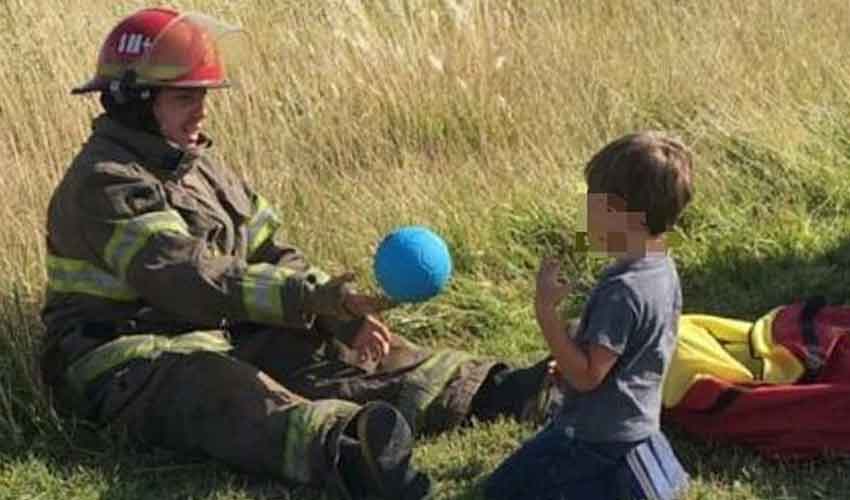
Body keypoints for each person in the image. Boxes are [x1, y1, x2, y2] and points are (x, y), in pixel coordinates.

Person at [40, 8, 556, 499]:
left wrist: (333, 312)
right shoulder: (104, 183)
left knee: (328, 349)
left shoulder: (198, 166)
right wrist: (305, 298)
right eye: (184, 97)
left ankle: (497, 391)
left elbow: (270, 248)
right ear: (136, 101)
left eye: (203, 94)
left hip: (219, 332)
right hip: (130, 363)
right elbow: (191, 278)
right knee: (218, 386)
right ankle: (352, 450)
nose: (202, 109)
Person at [484, 132, 694, 500]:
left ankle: (610, 486)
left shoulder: (623, 289)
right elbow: (632, 346)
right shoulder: (660, 267)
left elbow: (586, 376)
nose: (585, 213)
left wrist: (546, 312)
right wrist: (576, 346)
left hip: (596, 438)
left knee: (502, 491)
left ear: (617, 211)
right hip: (638, 422)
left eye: (591, 204)